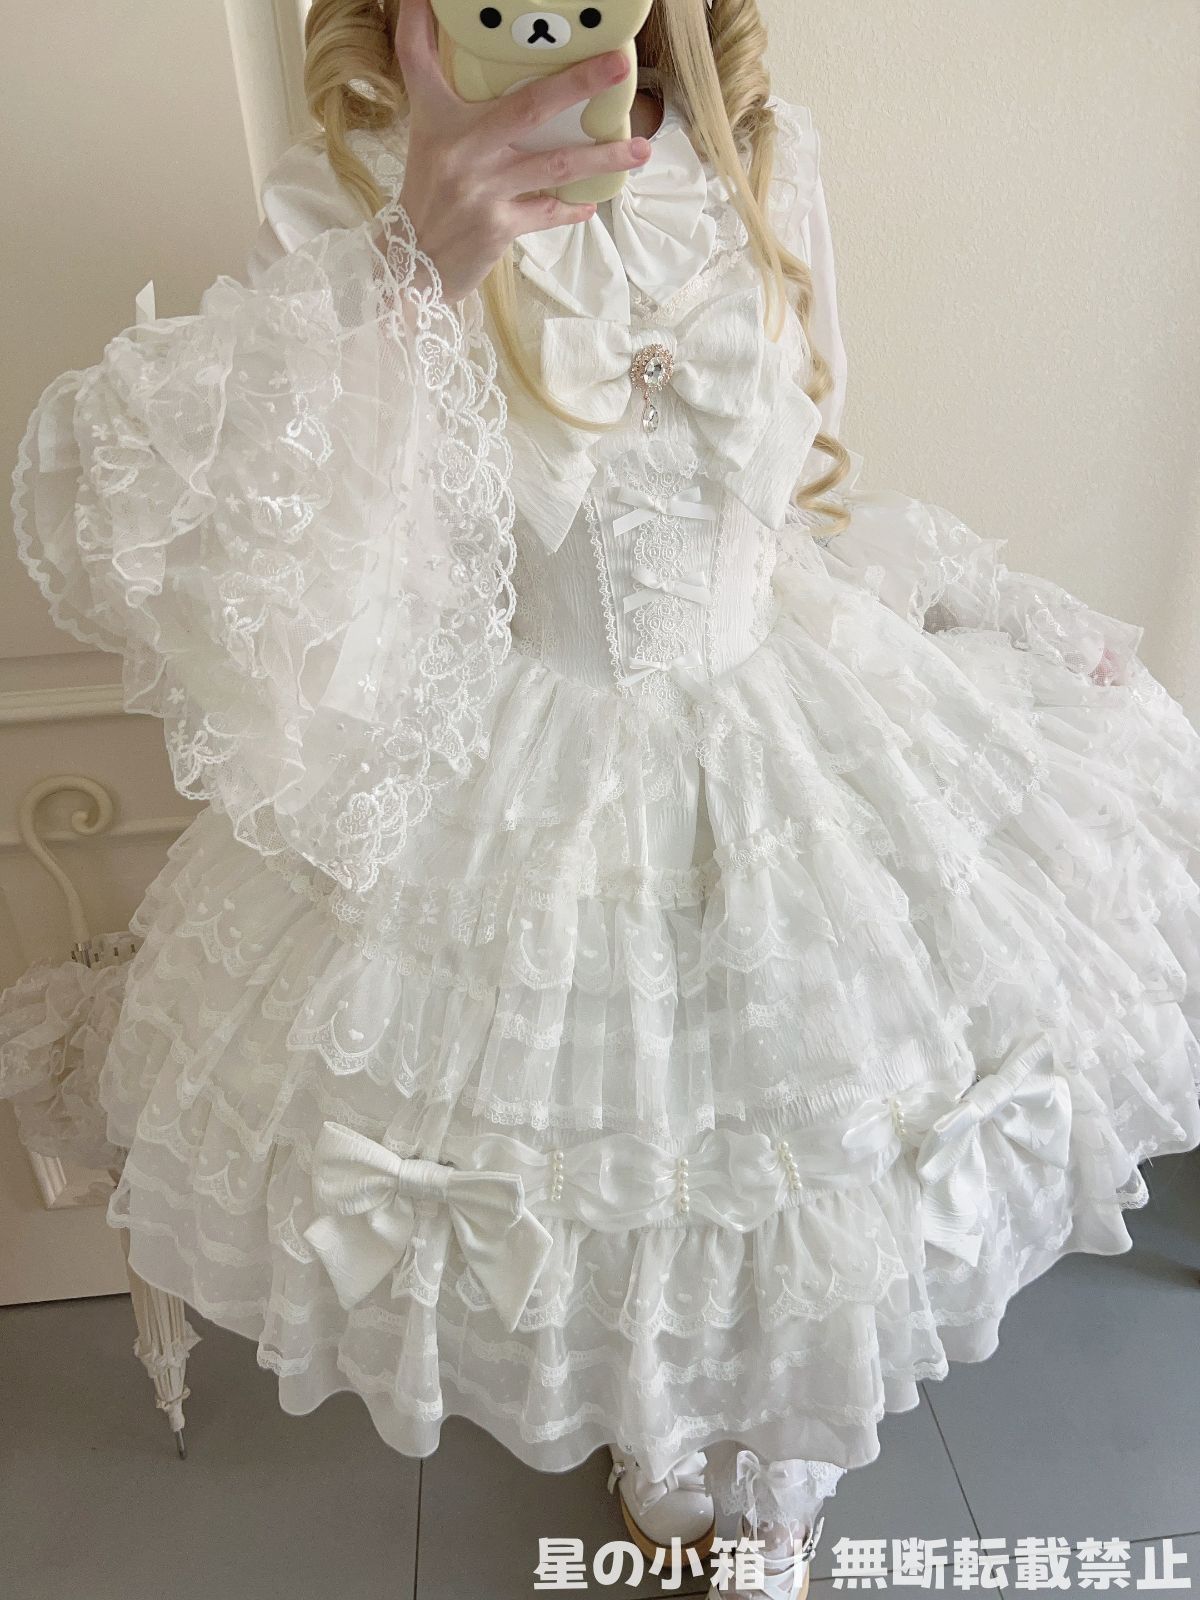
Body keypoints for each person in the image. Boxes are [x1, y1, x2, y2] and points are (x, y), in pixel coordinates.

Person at [11, 0, 1200, 1594]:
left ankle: (771, 1446)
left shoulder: (764, 152)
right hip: (522, 747)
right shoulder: (348, 183)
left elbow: (796, 465)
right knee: (615, 1143)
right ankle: (663, 1419)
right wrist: (413, 266)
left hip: (782, 704)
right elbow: (299, 585)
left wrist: (949, 606)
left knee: (801, 1115)